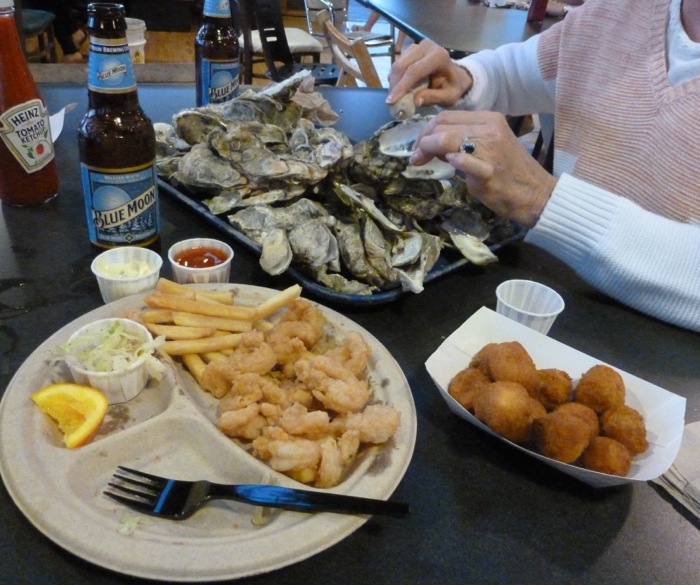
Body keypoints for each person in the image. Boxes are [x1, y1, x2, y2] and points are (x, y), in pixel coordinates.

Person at [386, 0, 700, 333]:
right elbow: (516, 73)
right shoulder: (620, 9)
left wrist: (542, 198)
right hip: (548, 301)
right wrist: (464, 79)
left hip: (668, 361)